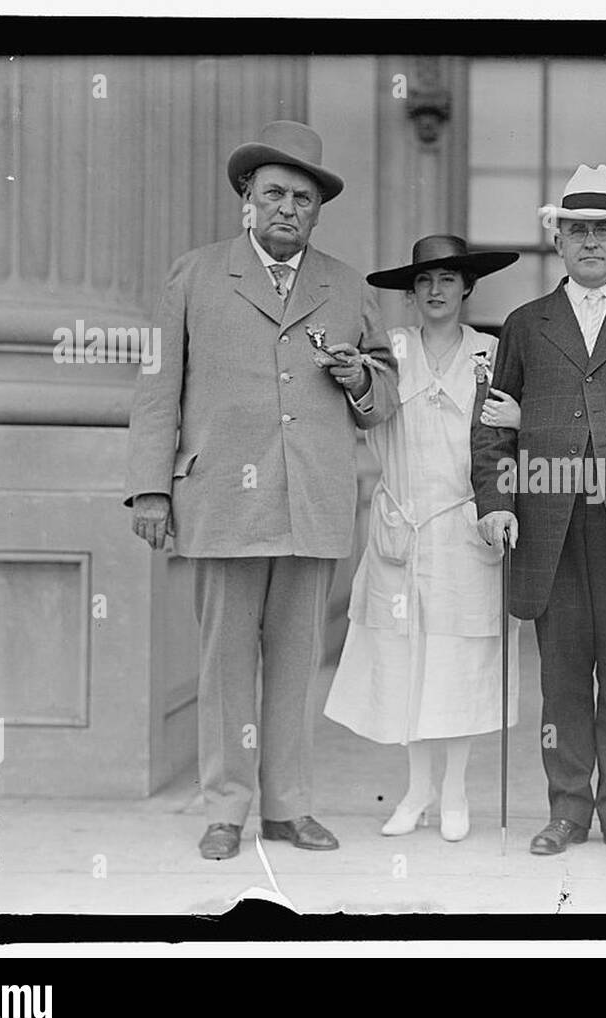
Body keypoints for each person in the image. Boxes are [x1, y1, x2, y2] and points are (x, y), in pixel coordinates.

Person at [125, 120, 400, 861]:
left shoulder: (345, 284)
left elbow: (383, 393)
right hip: (221, 499)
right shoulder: (195, 274)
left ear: (317, 210)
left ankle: (287, 809)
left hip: (310, 500)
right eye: (273, 193)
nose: (287, 207)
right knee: (223, 664)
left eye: (303, 198)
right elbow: (158, 389)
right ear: (247, 199)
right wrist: (150, 491)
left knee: (294, 661)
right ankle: (226, 808)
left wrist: (359, 378)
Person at [472, 164, 606, 860]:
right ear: (558, 241)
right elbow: (493, 424)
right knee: (563, 675)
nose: (590, 242)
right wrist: (495, 501)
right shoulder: (526, 323)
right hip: (551, 522)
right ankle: (566, 810)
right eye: (576, 231)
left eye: (603, 230)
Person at [325, 235, 521, 843]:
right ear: (410, 294)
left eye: (447, 279)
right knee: (407, 659)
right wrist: (355, 377)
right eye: (424, 281)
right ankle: (417, 791)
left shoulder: (491, 354)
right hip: (401, 524)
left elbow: (511, 442)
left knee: (459, 663)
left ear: (467, 288)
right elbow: (364, 411)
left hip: (466, 526)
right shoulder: (389, 351)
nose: (436, 290)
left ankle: (457, 790)